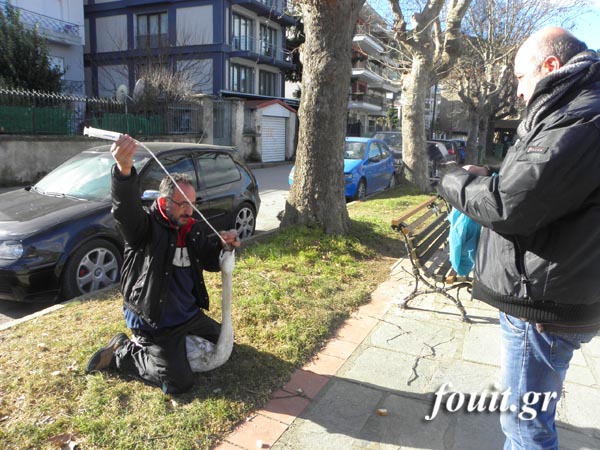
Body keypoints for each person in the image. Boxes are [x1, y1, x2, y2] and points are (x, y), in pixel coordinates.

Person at [436, 27, 600, 449]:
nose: (519, 90)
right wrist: (491, 177)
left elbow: (510, 207)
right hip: (554, 291)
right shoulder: (573, 108)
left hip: (542, 304)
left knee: (525, 425)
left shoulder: (579, 116)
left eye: (519, 77)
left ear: (550, 66)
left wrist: (452, 179)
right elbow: (544, 189)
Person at [85, 134, 240, 394]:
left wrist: (222, 246)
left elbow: (208, 259)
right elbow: (124, 211)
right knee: (179, 383)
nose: (189, 211)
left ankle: (170, 350)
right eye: (183, 205)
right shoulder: (144, 228)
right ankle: (122, 352)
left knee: (226, 346)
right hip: (154, 320)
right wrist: (124, 171)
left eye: (193, 204)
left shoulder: (192, 228)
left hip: (188, 315)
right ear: (165, 202)